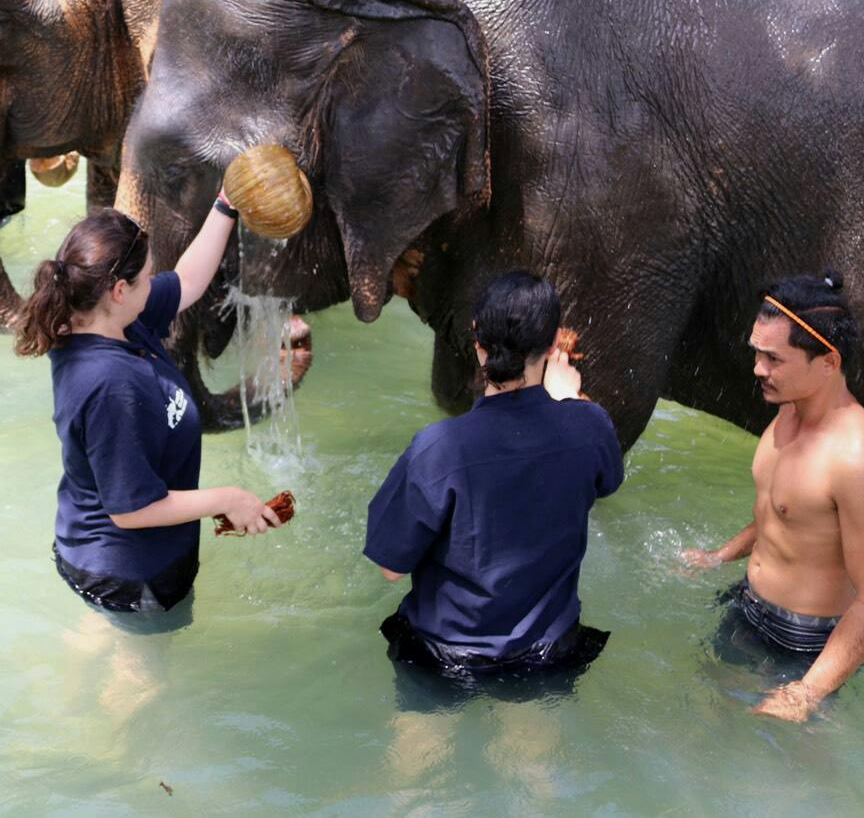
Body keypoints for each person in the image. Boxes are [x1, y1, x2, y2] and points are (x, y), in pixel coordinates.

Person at [14, 199, 290, 621]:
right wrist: (228, 498)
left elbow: (189, 280)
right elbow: (131, 510)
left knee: (105, 648)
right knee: (142, 684)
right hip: (128, 574)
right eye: (144, 279)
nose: (152, 284)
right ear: (118, 290)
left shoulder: (110, 321)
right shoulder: (111, 385)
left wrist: (224, 206)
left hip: (99, 555)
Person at [365, 271, 623, 684]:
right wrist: (570, 399)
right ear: (556, 342)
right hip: (545, 650)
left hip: (443, 650)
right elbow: (606, 482)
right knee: (530, 749)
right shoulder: (589, 426)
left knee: (418, 748)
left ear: (477, 340)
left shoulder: (439, 448)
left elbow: (391, 567)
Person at [681, 274, 864, 722]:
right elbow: (781, 514)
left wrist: (806, 693)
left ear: (828, 362)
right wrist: (719, 556)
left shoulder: (854, 457)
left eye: (773, 358)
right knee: (710, 719)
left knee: (793, 770)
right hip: (749, 607)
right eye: (757, 353)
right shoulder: (785, 415)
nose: (758, 369)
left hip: (806, 642)